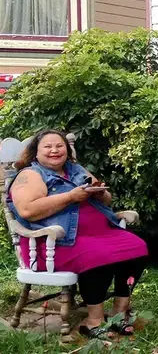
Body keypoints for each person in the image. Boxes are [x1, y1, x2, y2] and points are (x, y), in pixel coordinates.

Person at [6, 130, 148, 339]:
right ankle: (93, 321)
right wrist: (71, 196)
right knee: (98, 255)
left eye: (59, 146)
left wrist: (100, 193)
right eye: (47, 146)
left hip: (99, 235)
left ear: (67, 150)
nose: (54, 150)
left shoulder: (76, 169)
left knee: (137, 247)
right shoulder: (30, 175)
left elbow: (106, 200)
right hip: (54, 241)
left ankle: (119, 311)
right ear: (36, 152)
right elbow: (28, 210)